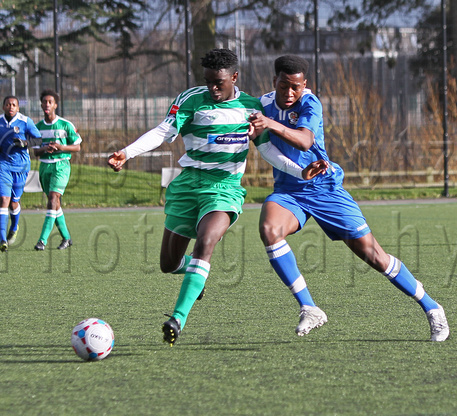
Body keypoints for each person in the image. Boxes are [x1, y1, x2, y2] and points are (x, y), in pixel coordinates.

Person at [108, 49, 327, 346]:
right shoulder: (190, 99)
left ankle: (177, 319)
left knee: (206, 240)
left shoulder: (250, 108)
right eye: (209, 81)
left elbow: (267, 151)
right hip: (188, 186)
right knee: (168, 264)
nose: (213, 88)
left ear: (234, 77)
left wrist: (300, 172)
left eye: (219, 82)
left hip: (224, 188)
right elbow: (163, 132)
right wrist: (127, 152)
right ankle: (195, 277)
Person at [249, 55, 450, 341]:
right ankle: (309, 306)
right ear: (274, 82)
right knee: (269, 229)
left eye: (296, 87)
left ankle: (432, 308)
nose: (290, 93)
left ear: (304, 84)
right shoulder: (263, 105)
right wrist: (291, 163)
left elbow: (305, 140)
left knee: (374, 256)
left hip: (325, 189)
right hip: (289, 191)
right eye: (284, 86)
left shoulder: (310, 103)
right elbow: (267, 149)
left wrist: (270, 123)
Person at [32, 89, 82, 251]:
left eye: (50, 102)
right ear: (41, 105)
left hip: (61, 165)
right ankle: (66, 238)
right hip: (45, 166)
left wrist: (61, 147)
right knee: (55, 204)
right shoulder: (37, 127)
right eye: (44, 102)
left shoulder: (65, 125)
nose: (47, 104)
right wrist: (45, 148)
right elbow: (35, 151)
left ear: (55, 105)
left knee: (52, 199)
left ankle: (42, 240)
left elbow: (77, 146)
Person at [0, 96, 42, 252]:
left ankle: (14, 227)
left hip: (21, 166)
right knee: (3, 200)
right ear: (3, 106)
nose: (10, 107)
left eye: (13, 105)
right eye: (7, 104)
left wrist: (25, 143)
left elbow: (38, 140)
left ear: (18, 108)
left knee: (14, 202)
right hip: (3, 165)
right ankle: (2, 240)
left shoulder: (25, 121)